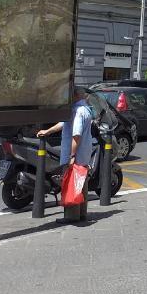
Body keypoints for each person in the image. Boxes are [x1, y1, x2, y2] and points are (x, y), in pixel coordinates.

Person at [38, 86, 94, 221]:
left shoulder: (77, 111)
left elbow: (76, 135)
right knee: (81, 183)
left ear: (75, 96)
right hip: (85, 153)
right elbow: (63, 124)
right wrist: (48, 131)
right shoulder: (85, 109)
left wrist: (72, 156)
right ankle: (81, 213)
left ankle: (71, 216)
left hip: (76, 154)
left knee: (72, 183)